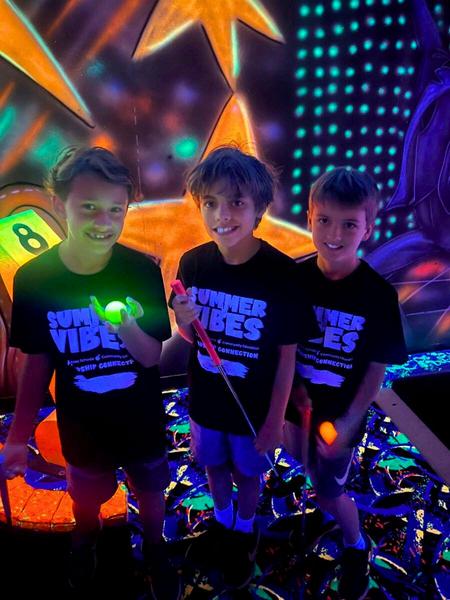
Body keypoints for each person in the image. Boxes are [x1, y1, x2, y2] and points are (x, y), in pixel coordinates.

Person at [1, 147, 180, 599]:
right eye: (89, 208)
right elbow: (37, 363)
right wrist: (18, 437)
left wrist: (127, 327)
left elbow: (149, 357)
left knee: (151, 491)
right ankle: (87, 540)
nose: (104, 222)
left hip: (140, 420)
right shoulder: (35, 279)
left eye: (115, 210)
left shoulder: (140, 270)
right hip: (81, 424)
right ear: (58, 204)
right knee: (85, 499)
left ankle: (155, 547)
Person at [170, 146, 316, 590]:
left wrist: (275, 420)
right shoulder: (194, 263)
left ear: (258, 209)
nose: (222, 215)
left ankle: (245, 529)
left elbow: (287, 356)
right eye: (210, 202)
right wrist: (183, 319)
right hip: (207, 401)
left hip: (255, 405)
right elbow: (191, 338)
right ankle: (222, 521)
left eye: (236, 202)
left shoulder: (280, 273)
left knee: (249, 472)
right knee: (214, 466)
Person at [284, 167, 408, 600]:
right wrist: (289, 391)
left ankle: (356, 545)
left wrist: (352, 419)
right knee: (299, 460)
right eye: (324, 221)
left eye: (349, 224)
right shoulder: (295, 280)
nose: (334, 234)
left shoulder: (377, 295)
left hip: (341, 415)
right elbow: (282, 347)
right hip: (297, 405)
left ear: (368, 228)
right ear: (309, 218)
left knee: (328, 491)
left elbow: (376, 369)